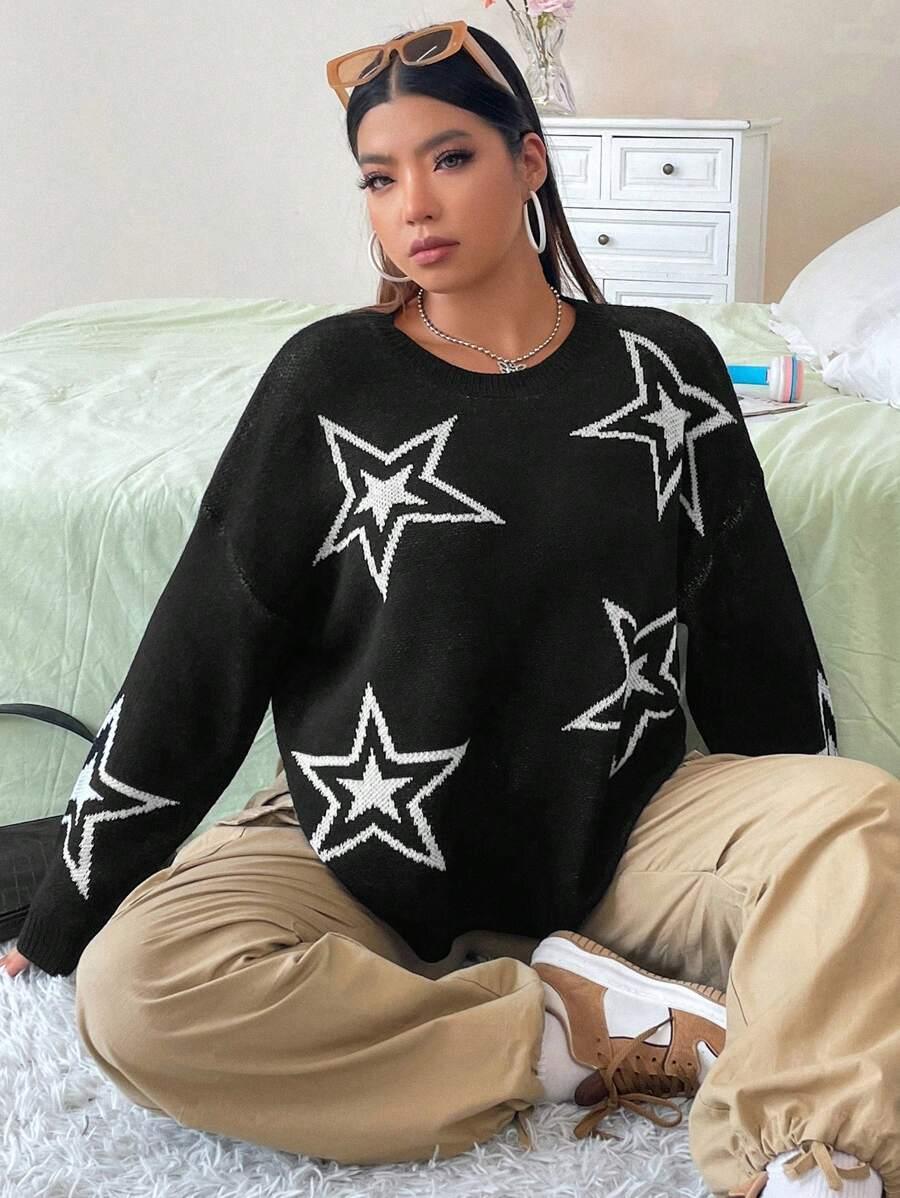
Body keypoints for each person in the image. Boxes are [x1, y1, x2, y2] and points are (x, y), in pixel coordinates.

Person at [4, 20, 897, 1198]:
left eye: (451, 158)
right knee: (139, 991)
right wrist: (61, 919)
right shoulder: (328, 378)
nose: (412, 205)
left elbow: (755, 641)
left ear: (529, 160)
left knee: (864, 824)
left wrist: (798, 858)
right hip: (360, 848)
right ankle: (567, 1036)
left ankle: (810, 1158)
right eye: (379, 179)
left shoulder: (667, 369)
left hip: (624, 832)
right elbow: (198, 655)